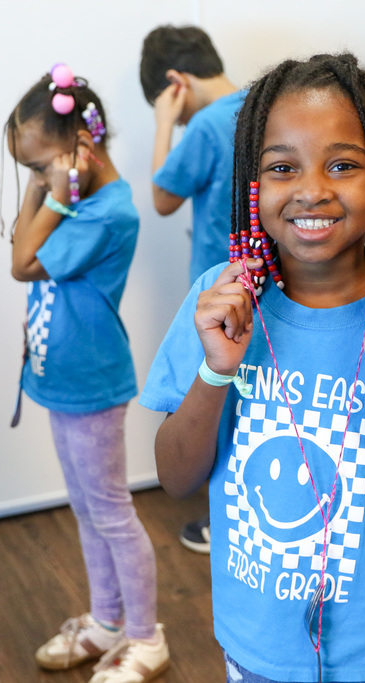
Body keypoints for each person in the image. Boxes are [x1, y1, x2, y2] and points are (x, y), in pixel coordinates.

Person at [139, 53, 365, 683]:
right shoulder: (218, 304)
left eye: (342, 165)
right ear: (254, 184)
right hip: (259, 651)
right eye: (282, 167)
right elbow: (174, 477)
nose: (312, 189)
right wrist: (216, 370)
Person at [4, 64, 169, 683]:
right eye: (30, 170)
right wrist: (48, 184)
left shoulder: (107, 214)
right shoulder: (72, 201)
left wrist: (50, 194)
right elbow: (25, 249)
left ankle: (145, 636)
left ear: (83, 148)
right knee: (85, 507)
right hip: (60, 378)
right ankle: (105, 622)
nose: (38, 182)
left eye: (42, 166)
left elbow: (21, 262)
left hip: (93, 384)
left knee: (110, 509)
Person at [140, 25, 247, 554]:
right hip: (268, 281)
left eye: (173, 104)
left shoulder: (204, 124)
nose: (177, 117)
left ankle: (220, 520)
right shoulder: (260, 101)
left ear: (176, 83)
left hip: (219, 286)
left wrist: (164, 124)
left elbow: (162, 197)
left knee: (214, 399)